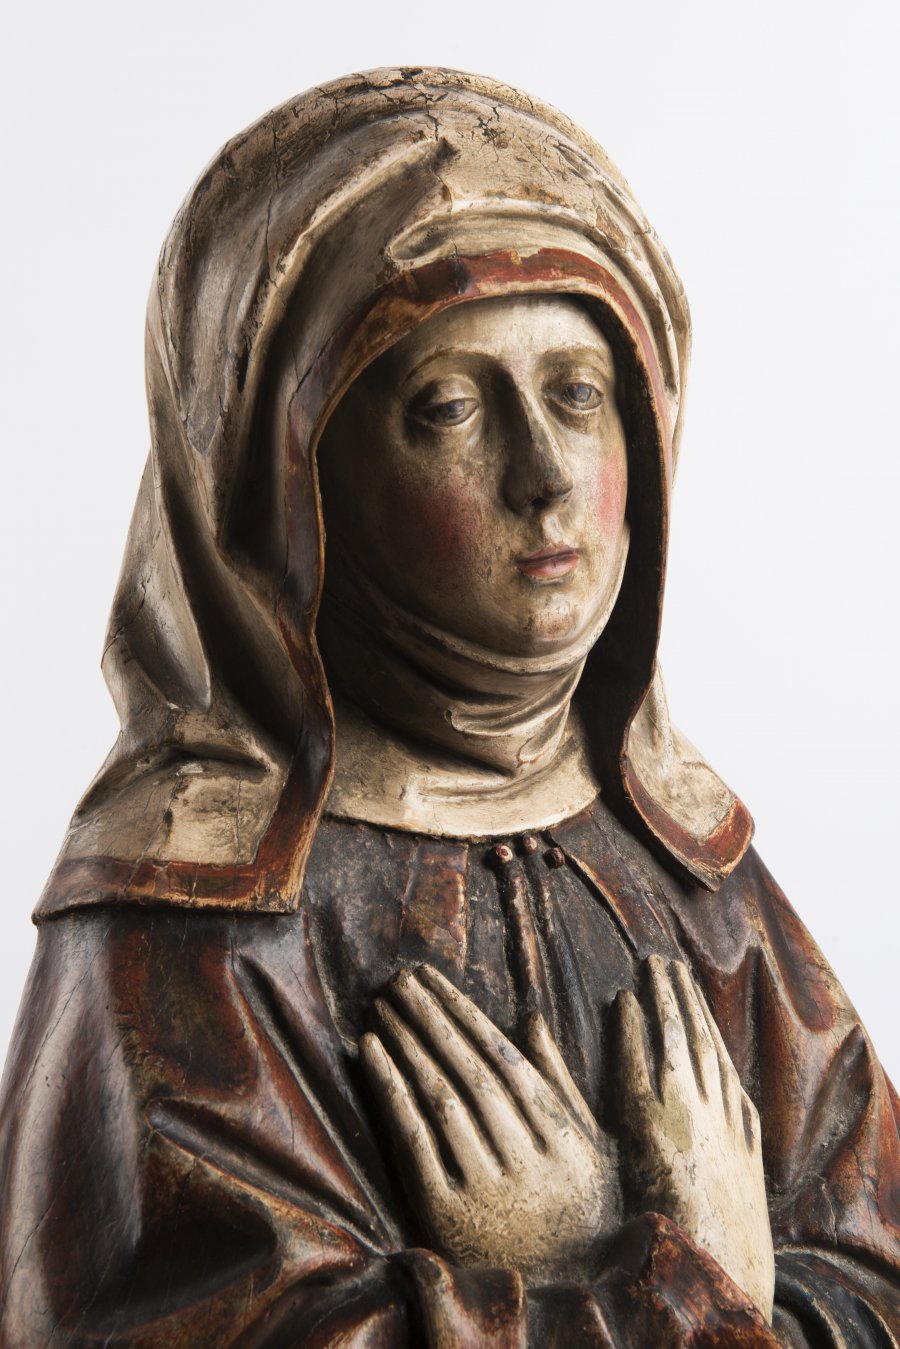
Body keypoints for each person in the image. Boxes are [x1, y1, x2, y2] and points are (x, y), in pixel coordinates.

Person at [0, 67, 896, 1347]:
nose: (545, 473)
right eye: (450, 406)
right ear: (292, 479)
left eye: (578, 392)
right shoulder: (187, 928)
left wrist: (611, 1263)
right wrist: (657, 1283)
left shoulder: (701, 883)